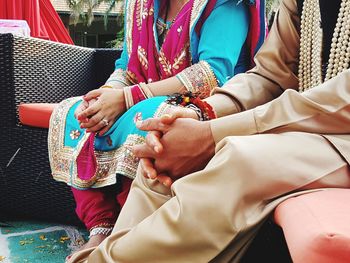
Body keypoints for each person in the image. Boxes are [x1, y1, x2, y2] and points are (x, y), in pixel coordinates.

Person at [66, 0, 350, 262]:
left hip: (341, 137)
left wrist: (211, 134)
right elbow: (270, 76)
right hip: (298, 126)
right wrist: (199, 113)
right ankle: (108, 244)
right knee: (166, 144)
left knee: (239, 159)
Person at [48, 0, 266, 252]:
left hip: (205, 103)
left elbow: (211, 74)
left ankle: (133, 228)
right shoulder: (142, 5)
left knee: (152, 116)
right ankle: (101, 225)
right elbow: (126, 68)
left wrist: (128, 98)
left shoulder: (224, 4)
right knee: (71, 112)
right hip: (143, 95)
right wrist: (106, 95)